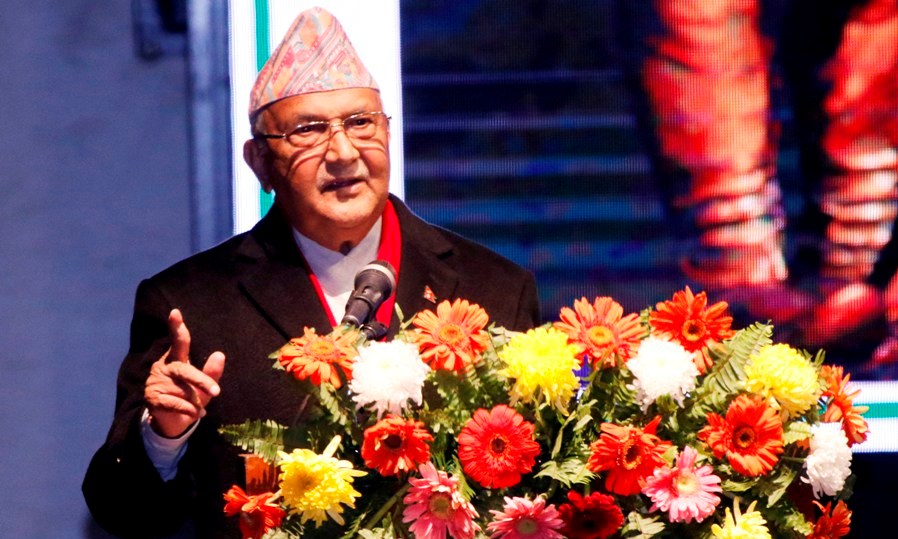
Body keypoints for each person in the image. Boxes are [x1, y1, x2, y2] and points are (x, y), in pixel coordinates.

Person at [82, 7, 540, 538]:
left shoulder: (495, 288)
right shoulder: (192, 305)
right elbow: (123, 514)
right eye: (308, 130)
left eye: (361, 123)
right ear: (260, 163)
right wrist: (163, 437)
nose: (343, 153)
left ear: (388, 133)